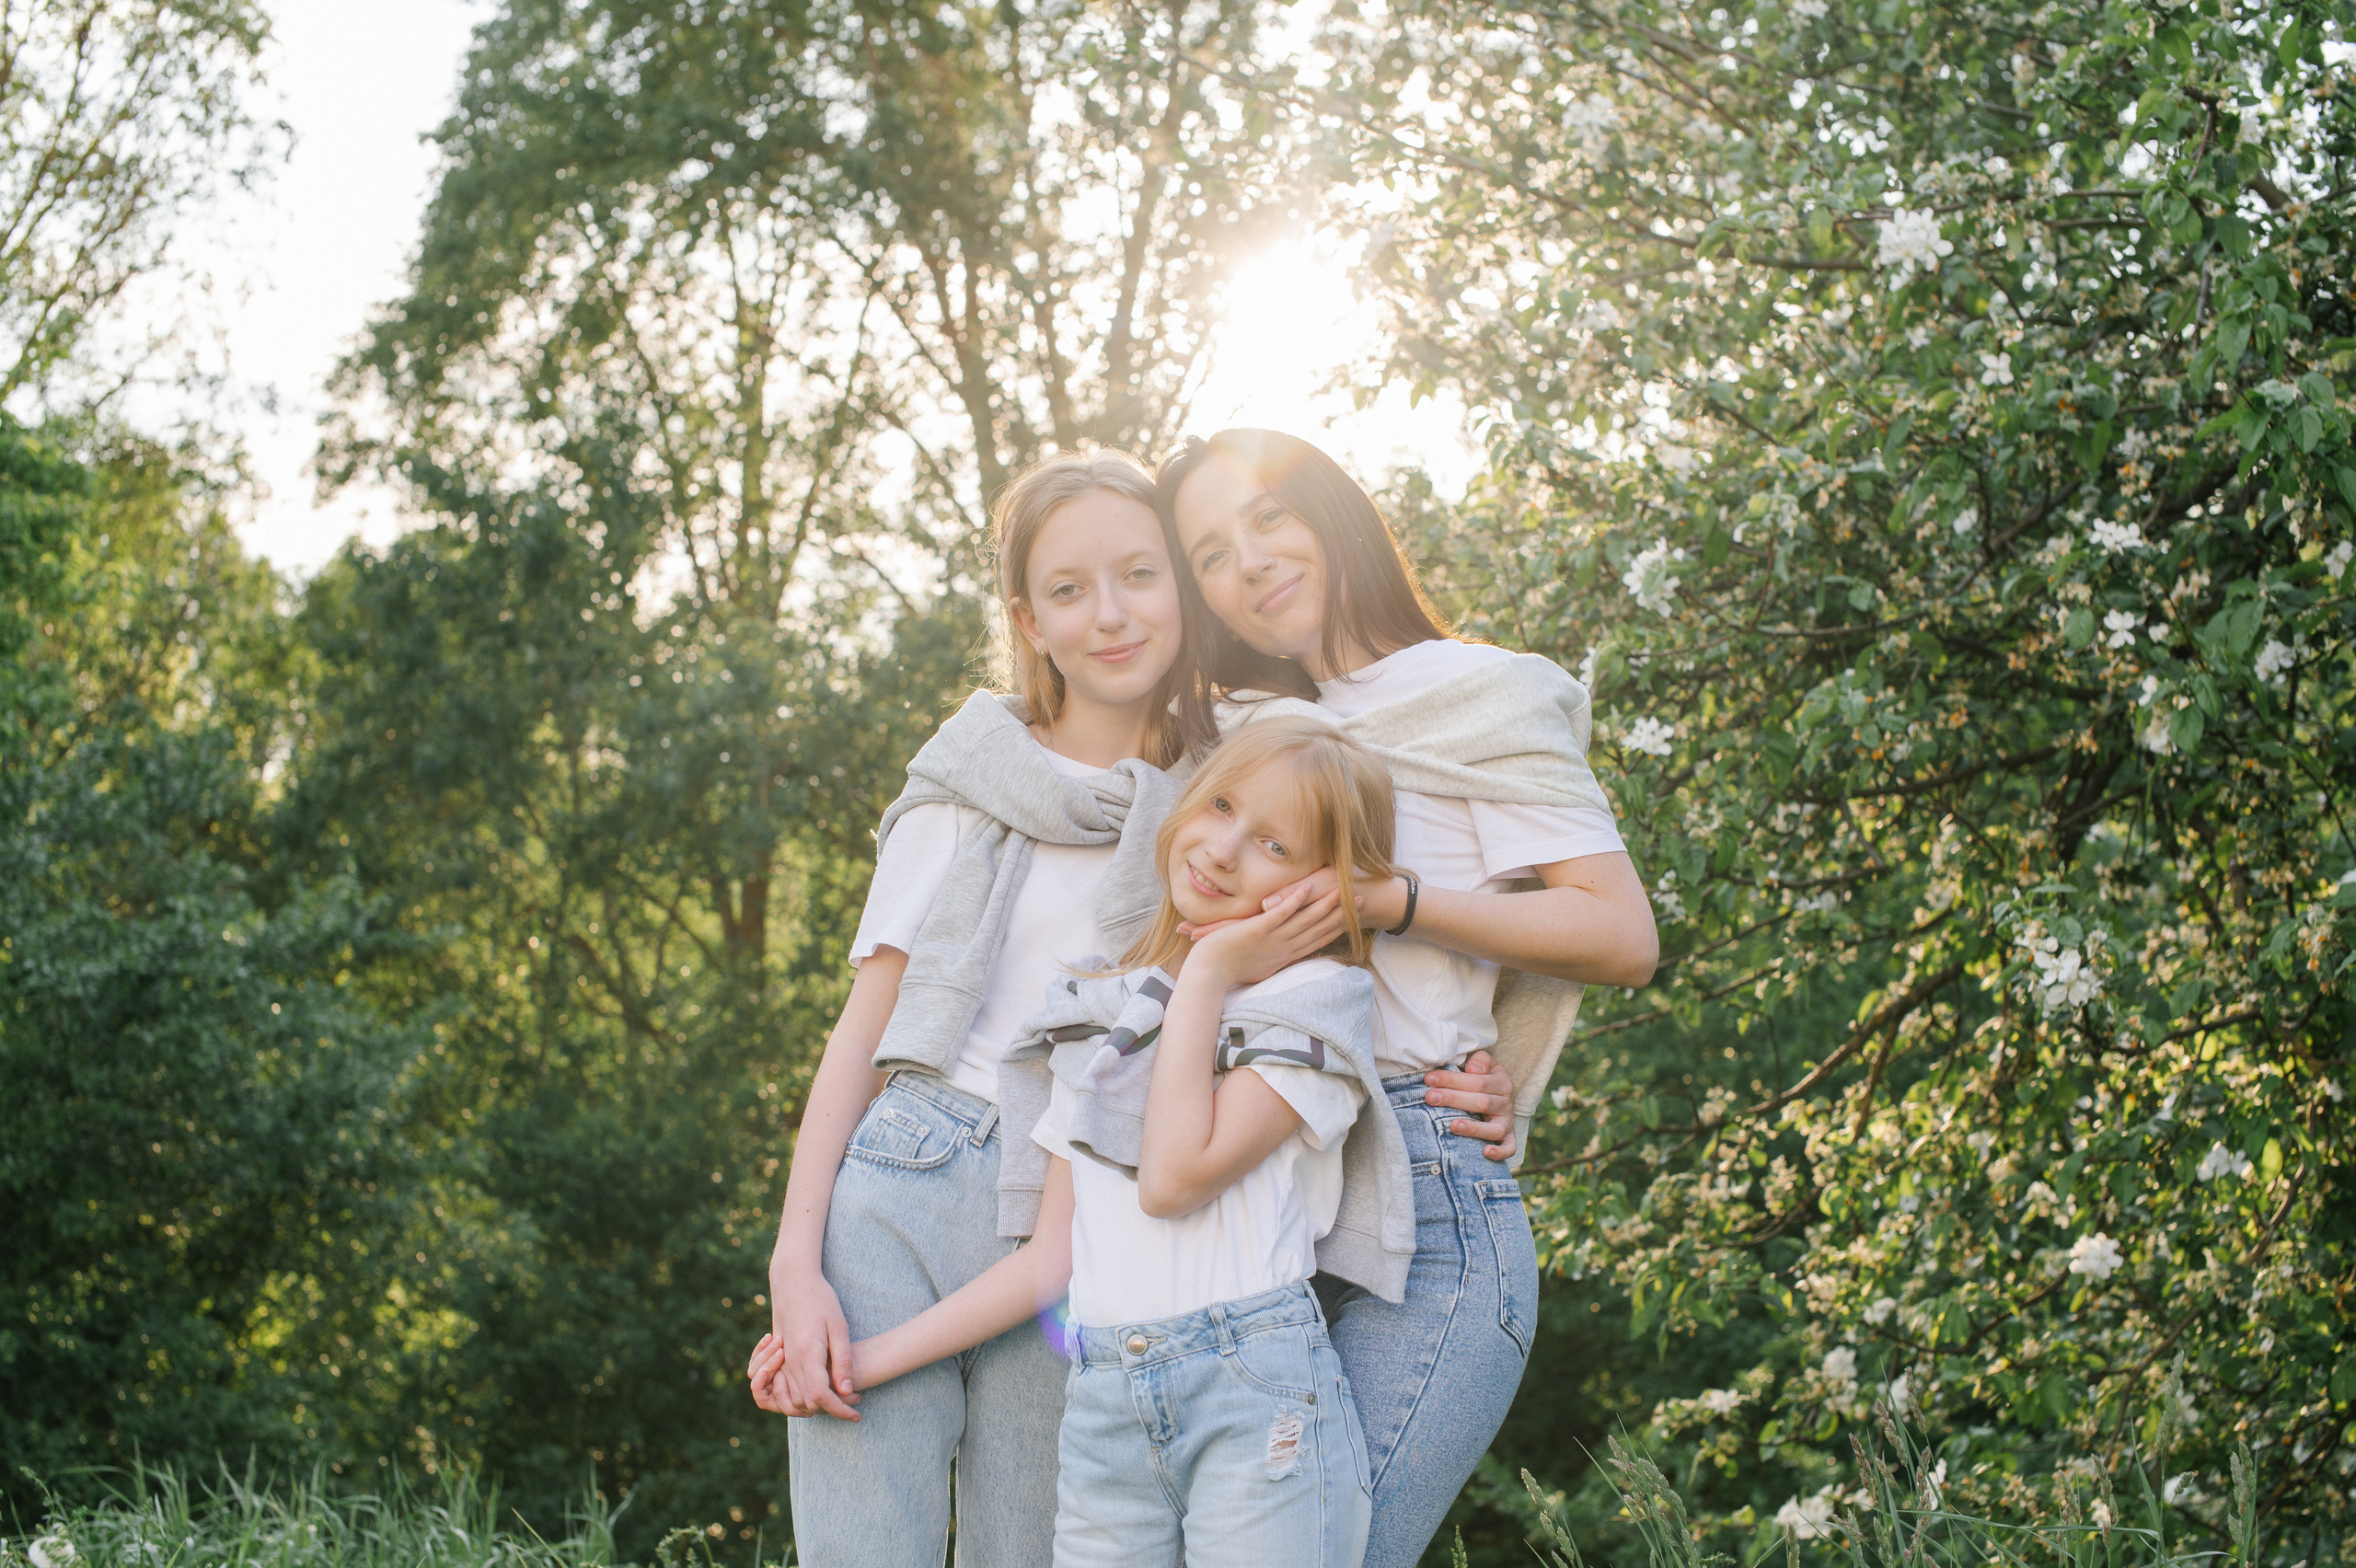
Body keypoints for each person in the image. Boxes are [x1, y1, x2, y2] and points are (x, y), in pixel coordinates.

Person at [1159, 428, 1662, 1568]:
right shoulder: (1239, 739)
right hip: (1252, 1198)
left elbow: (1619, 933)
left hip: (1426, 1204)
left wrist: (1396, 903)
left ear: (1331, 515)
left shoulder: (1482, 696)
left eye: (1269, 517)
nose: (1250, 561)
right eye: (1210, 554)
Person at [756, 717, 1413, 1568]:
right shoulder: (1100, 1011)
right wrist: (861, 1364)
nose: (1221, 849)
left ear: (1329, 888)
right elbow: (1050, 1260)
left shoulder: (1315, 1003)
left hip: (1255, 1390)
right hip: (1108, 1398)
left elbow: (1174, 1178)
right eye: (1218, 805)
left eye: (1275, 846)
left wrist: (1206, 973)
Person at [750, 450, 1238, 1566]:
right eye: (1069, 590)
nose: (1110, 616)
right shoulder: (967, 780)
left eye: (1140, 575)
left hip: (1084, 1221)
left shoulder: (1222, 803)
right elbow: (862, 1035)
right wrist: (795, 1263)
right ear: (1030, 619)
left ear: (1182, 588)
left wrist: (1469, 1059)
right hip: (906, 1188)